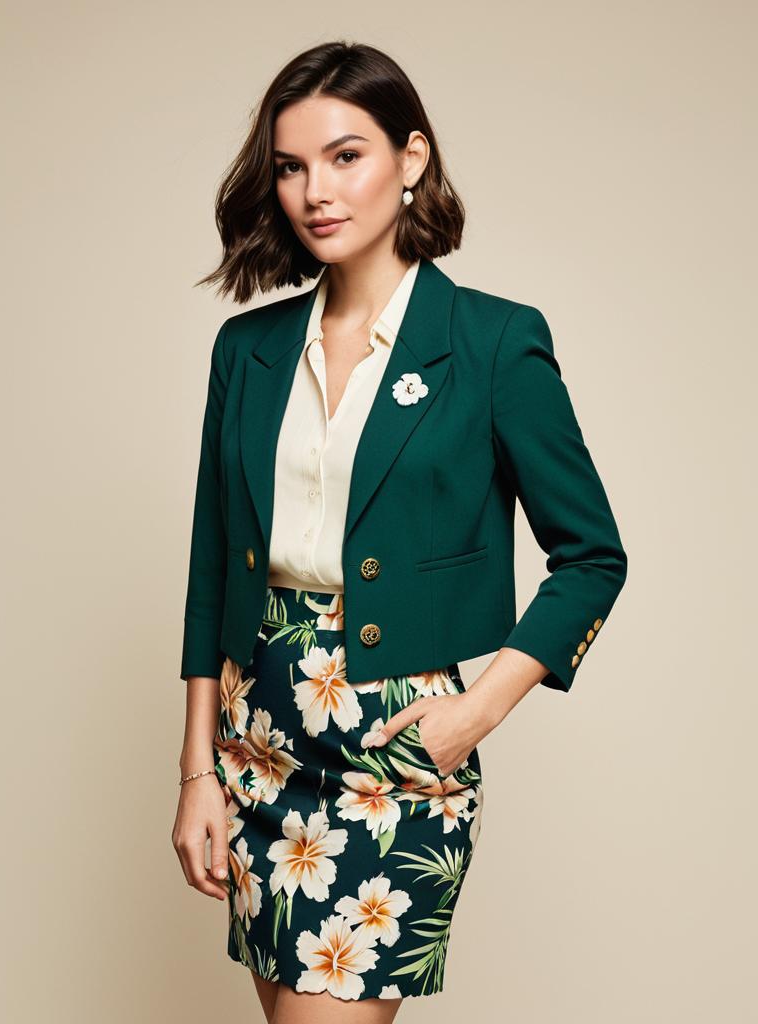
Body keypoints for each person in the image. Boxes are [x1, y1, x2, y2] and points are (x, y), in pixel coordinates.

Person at [171, 40, 627, 1024]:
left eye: (346, 156)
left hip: (392, 759)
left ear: (411, 158)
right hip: (256, 747)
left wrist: (478, 710)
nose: (315, 191)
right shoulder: (246, 350)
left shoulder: (493, 342)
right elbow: (212, 567)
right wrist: (196, 769)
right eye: (290, 166)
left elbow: (593, 557)